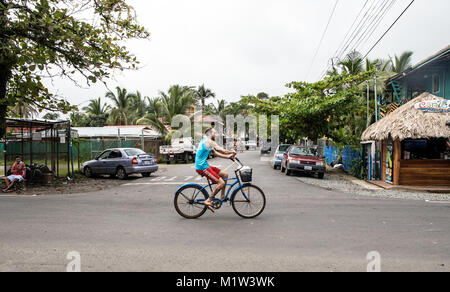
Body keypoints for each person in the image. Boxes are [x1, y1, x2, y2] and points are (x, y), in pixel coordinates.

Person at [195, 128, 236, 212]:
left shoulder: (206, 141)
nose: (215, 135)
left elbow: (215, 153)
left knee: (225, 175)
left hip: (205, 165)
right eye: (214, 133)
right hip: (202, 167)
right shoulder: (209, 141)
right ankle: (208, 200)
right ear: (210, 134)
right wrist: (231, 151)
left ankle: (222, 196)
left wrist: (228, 157)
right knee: (221, 182)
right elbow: (222, 150)